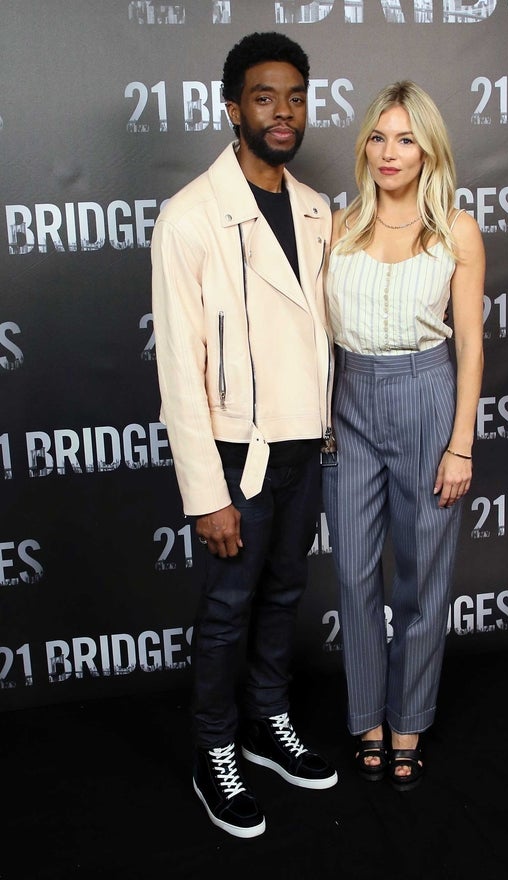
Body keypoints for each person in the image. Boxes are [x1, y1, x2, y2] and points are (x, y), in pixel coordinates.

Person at [151, 31, 338, 840]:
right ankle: (214, 750)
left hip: (305, 448)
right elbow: (180, 376)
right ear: (232, 109)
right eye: (265, 97)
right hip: (236, 458)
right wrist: (206, 494)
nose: (284, 112)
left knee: (285, 596)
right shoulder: (190, 215)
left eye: (295, 96)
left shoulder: (316, 208)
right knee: (228, 609)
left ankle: (266, 723)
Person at [323, 81, 485, 792]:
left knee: (423, 578)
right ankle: (366, 718)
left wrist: (461, 445)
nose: (390, 153)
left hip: (426, 395)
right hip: (350, 401)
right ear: (366, 146)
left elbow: (473, 348)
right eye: (380, 137)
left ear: (428, 150)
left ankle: (408, 720)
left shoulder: (458, 229)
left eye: (406, 139)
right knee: (355, 572)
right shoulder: (337, 225)